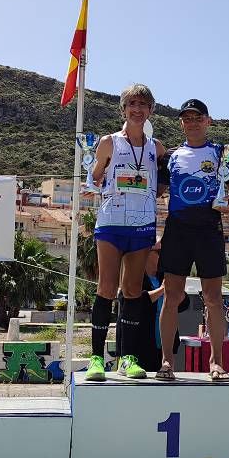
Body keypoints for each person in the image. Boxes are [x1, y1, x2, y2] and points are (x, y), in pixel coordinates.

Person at [85, 83, 167, 381]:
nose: (137, 109)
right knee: (106, 288)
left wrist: (157, 189)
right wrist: (96, 178)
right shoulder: (108, 143)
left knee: (132, 291)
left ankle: (128, 358)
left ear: (150, 111)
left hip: (142, 225)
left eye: (143, 104)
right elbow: (92, 181)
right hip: (111, 223)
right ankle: (96, 359)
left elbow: (162, 182)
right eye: (132, 104)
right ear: (123, 109)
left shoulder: (156, 148)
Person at [157, 98, 229, 382]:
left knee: (213, 298)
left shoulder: (221, 153)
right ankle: (167, 360)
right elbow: (155, 189)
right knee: (172, 297)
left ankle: (216, 362)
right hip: (177, 229)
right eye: (186, 118)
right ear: (181, 123)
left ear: (208, 121)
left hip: (209, 230)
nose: (191, 122)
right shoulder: (171, 155)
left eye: (197, 117)